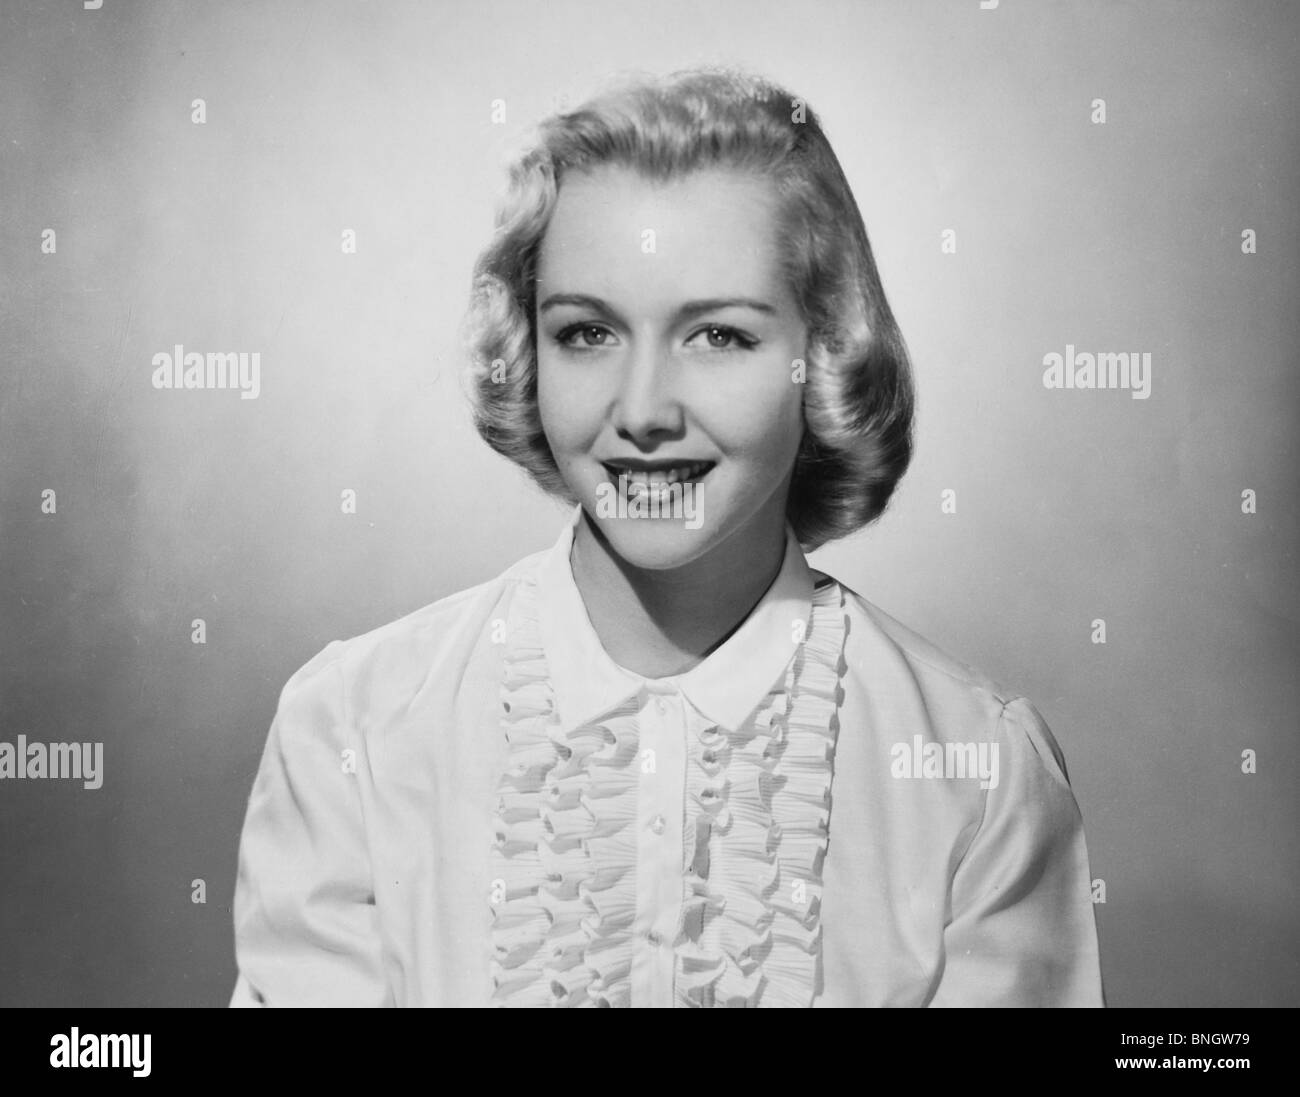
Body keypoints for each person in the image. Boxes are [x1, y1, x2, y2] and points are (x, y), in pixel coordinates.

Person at [229, 68, 1103, 1007]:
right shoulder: (353, 731)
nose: (643, 411)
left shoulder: (974, 773)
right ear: (528, 348)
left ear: (825, 354)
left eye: (718, 336)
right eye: (587, 333)